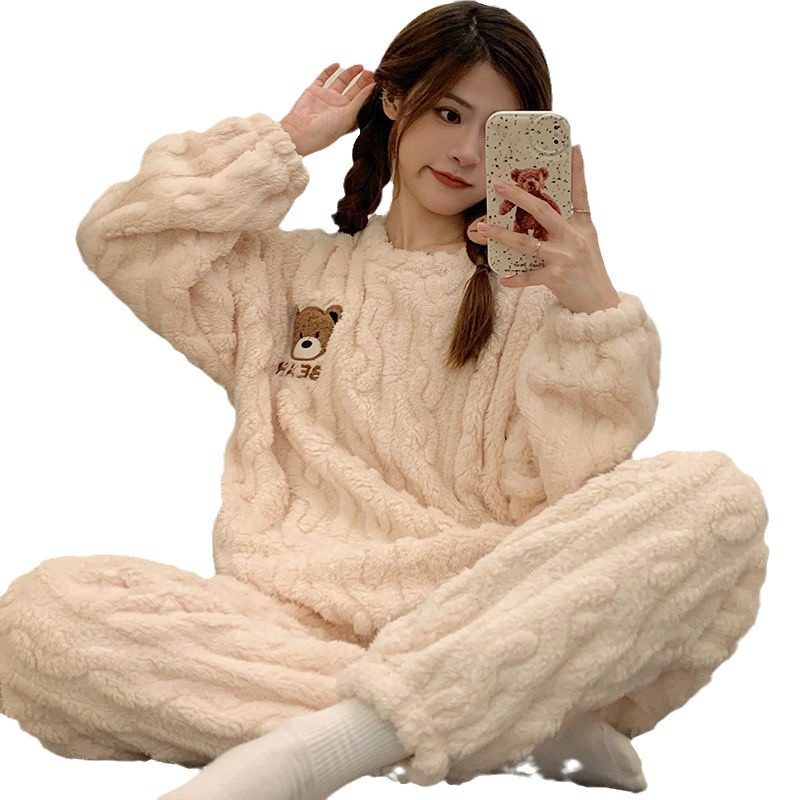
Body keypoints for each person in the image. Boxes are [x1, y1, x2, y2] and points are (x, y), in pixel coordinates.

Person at [0, 3, 769, 800]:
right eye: (448, 113)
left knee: (717, 497)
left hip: (495, 614)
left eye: (497, 130)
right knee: (42, 617)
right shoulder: (283, 278)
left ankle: (314, 751)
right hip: (291, 626)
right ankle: (499, 731)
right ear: (394, 100)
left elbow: (580, 495)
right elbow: (123, 240)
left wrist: (591, 307)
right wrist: (282, 143)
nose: (467, 151)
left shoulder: (542, 297)